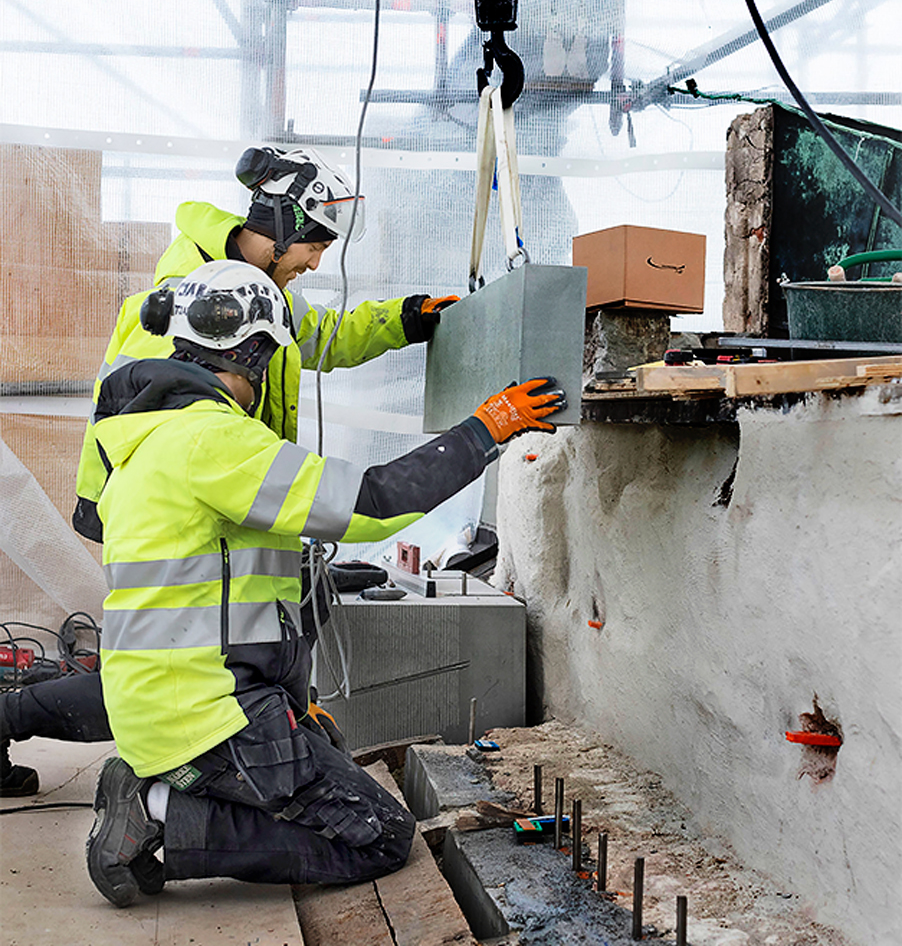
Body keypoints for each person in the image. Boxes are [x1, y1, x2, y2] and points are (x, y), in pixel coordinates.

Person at [82, 260, 565, 905]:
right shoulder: (213, 439)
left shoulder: (149, 444)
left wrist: (289, 701)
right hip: (206, 712)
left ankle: (165, 795)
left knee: (326, 766)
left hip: (173, 699)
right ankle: (163, 818)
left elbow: (218, 584)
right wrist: (487, 429)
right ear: (253, 354)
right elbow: (370, 502)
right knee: (379, 837)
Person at [0, 144, 458, 796]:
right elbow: (138, 412)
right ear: (282, 226)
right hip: (162, 496)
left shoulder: (260, 289)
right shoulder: (192, 294)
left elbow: (320, 338)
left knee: (215, 645)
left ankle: (257, 737)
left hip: (225, 491)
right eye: (315, 244)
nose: (317, 261)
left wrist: (403, 322)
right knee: (170, 666)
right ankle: (32, 725)